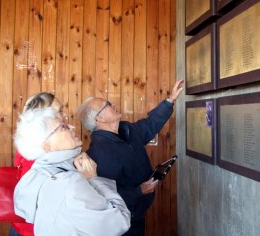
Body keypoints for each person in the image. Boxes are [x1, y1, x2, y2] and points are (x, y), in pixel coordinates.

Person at [76, 80, 183, 235]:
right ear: (99, 119)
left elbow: (149, 125)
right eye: (107, 105)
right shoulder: (99, 153)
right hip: (124, 223)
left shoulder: (125, 130)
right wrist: (139, 191)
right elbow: (104, 196)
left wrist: (169, 100)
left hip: (138, 213)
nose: (113, 104)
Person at [13, 107, 131, 235]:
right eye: (63, 127)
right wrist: (94, 179)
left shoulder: (34, 176)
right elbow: (120, 222)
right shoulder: (68, 184)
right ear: (47, 146)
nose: (72, 127)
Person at [11, 92, 66, 236]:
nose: (63, 116)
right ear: (42, 117)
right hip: (34, 230)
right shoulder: (41, 149)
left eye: (62, 110)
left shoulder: (30, 142)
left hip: (24, 227)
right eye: (59, 112)